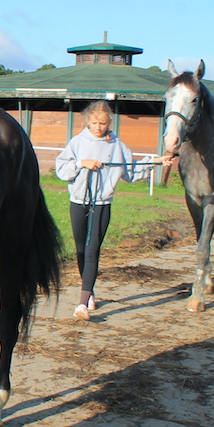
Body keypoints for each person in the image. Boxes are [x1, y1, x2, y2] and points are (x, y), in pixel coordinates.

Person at [55, 100, 172, 321]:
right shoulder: (77, 142)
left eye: (103, 123)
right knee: (80, 250)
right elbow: (62, 170)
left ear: (109, 122)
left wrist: (154, 162)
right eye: (95, 123)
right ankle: (89, 290)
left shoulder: (116, 145)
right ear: (88, 121)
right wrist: (81, 163)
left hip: (101, 204)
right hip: (78, 202)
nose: (99, 127)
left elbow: (131, 170)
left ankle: (82, 304)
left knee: (92, 249)